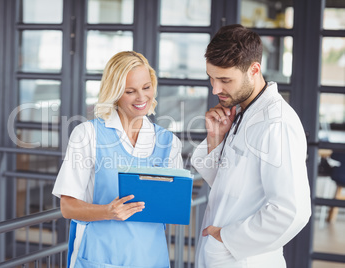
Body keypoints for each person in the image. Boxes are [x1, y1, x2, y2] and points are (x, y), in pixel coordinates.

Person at [190, 24, 311, 268]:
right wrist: (216, 139)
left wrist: (226, 238)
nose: (215, 89)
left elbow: (292, 211)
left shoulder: (277, 123)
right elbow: (233, 185)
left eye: (225, 80)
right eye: (211, 78)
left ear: (254, 69)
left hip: (245, 259)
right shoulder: (243, 111)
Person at [52, 51, 183, 268]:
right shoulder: (88, 134)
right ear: (114, 93)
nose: (141, 98)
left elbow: (173, 205)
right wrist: (107, 212)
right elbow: (67, 207)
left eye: (146, 87)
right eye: (130, 91)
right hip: (99, 256)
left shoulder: (169, 142)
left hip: (151, 257)